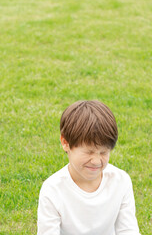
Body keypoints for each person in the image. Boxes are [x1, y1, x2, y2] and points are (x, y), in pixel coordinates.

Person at [37, 100, 140, 235]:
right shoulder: (53, 189)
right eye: (88, 152)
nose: (96, 161)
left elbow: (128, 230)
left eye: (103, 152)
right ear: (65, 143)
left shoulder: (120, 181)